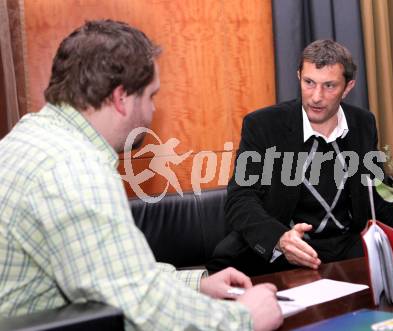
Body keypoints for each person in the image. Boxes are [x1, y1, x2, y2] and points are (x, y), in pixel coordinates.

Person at [0, 20, 283, 331]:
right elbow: (140, 310)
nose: (151, 112)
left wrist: (197, 284)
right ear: (122, 99)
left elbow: (112, 274)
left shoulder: (35, 136)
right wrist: (245, 318)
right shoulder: (74, 170)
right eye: (151, 96)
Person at [208, 39, 393, 276]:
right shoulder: (264, 126)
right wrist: (278, 239)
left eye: (329, 86)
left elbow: (377, 189)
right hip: (283, 254)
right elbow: (241, 198)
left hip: (347, 250)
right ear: (299, 76)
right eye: (309, 83)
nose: (316, 96)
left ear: (347, 87)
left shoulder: (362, 123)